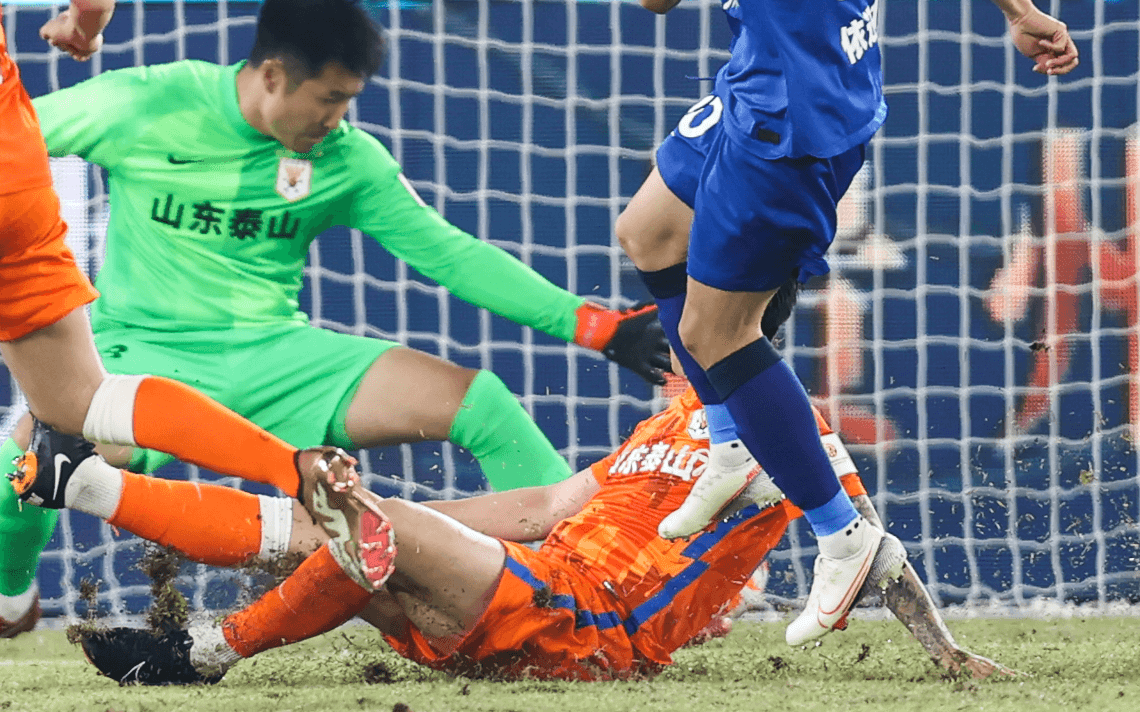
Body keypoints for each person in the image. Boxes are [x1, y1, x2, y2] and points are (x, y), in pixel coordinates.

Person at [600, 0, 1079, 647]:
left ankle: (841, 530)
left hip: (793, 118)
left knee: (718, 332)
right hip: (774, 82)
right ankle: (729, 442)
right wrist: (1017, 7)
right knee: (648, 231)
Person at [0, 0, 667, 635]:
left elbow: (452, 254)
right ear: (271, 76)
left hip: (279, 360)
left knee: (480, 402)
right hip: (143, 353)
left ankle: (584, 581)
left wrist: (598, 328)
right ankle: (10, 598)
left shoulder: (348, 159)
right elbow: (15, 141)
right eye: (328, 99)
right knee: (25, 461)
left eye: (348, 100)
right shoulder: (146, 102)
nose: (336, 119)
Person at [0, 0, 391, 640]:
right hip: (13, 170)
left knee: (65, 421)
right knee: (80, 404)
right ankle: (295, 470)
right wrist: (80, 28)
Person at [77, 366, 1011, 685]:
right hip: (527, 593)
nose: (675, 341)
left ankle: (201, 653)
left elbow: (870, 548)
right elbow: (546, 508)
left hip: (590, 625)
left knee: (362, 529)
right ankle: (77, 483)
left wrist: (945, 653)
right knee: (331, 529)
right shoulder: (666, 425)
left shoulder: (793, 428)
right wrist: (417, 526)